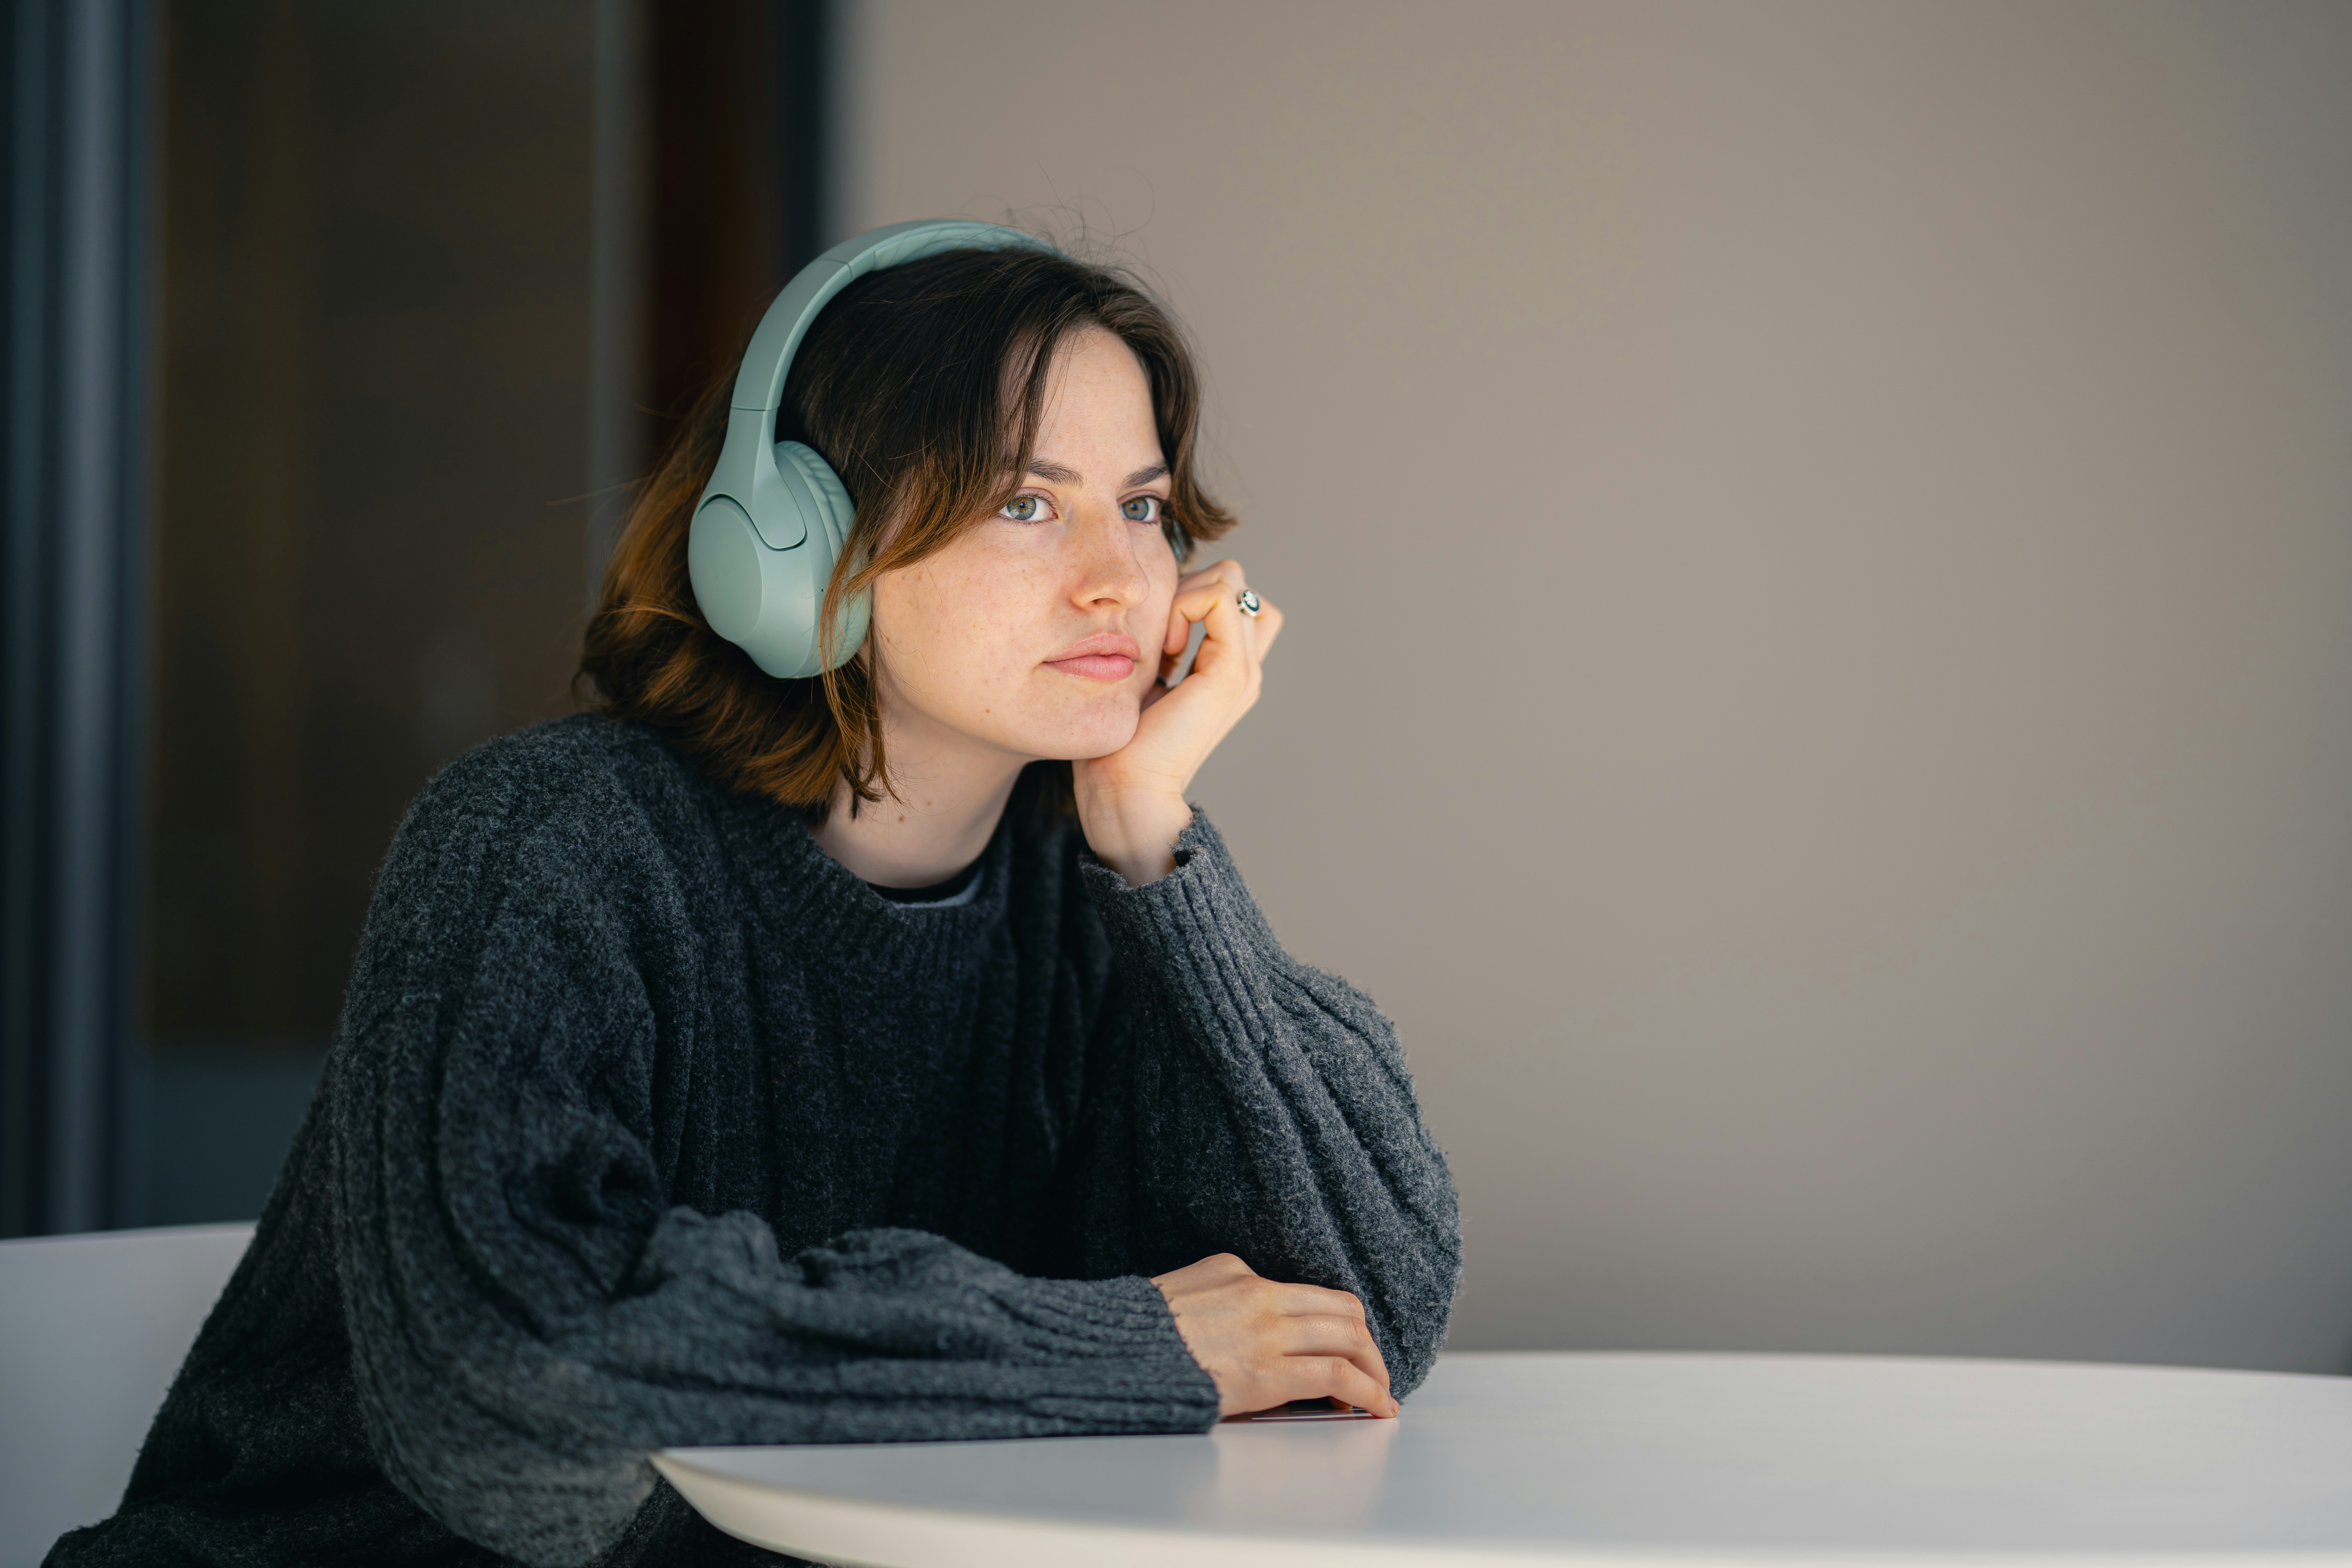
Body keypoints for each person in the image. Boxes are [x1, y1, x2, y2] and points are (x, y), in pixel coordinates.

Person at [50, 235, 1460, 1567]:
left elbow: (1344, 1333)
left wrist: (1156, 846)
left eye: (1143, 509)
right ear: (793, 540)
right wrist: (1112, 1347)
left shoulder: (1096, 888)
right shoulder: (548, 846)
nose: (1117, 581)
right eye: (1026, 504)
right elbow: (522, 1390)